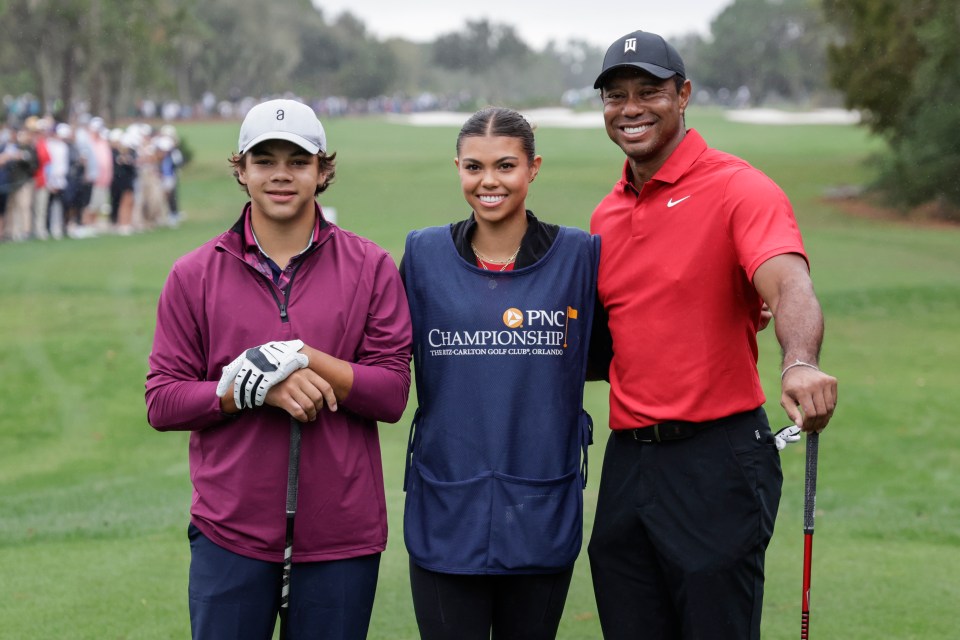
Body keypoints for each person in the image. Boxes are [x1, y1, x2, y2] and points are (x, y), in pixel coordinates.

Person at [585, 30, 838, 639]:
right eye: (616, 95)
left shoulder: (739, 188)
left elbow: (788, 282)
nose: (631, 107)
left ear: (684, 95)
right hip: (628, 463)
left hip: (716, 458)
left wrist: (799, 360)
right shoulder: (606, 214)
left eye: (650, 91)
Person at [145, 98, 413, 640]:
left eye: (298, 160)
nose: (282, 175)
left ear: (323, 170)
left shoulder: (371, 266)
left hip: (341, 536)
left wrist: (305, 357)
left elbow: (390, 395)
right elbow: (162, 401)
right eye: (265, 160)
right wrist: (244, 390)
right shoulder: (194, 274)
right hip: (230, 534)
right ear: (241, 170)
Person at [401, 107, 600, 640]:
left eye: (506, 166)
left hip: (541, 507)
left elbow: (623, 345)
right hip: (446, 508)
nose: (488, 181)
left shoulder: (580, 256)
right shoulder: (422, 255)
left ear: (533, 169)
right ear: (458, 169)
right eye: (474, 167)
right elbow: (376, 346)